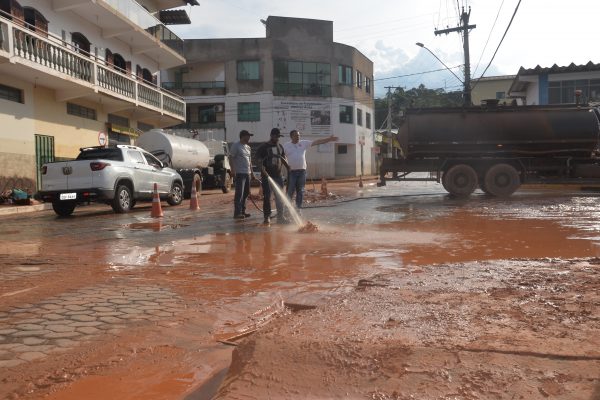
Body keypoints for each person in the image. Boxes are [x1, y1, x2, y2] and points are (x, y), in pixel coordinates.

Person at [282, 130, 338, 209]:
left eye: (298, 135)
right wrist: (287, 165)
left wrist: (329, 139)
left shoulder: (303, 143)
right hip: (292, 172)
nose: (298, 137)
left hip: (302, 172)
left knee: (300, 191)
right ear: (291, 137)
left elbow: (317, 142)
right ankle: (287, 210)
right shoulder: (286, 146)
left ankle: (298, 209)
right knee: (290, 191)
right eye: (296, 135)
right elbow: (282, 157)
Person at [256, 128, 288, 225]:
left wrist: (288, 167)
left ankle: (280, 217)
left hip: (278, 176)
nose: (277, 138)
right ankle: (267, 217)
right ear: (271, 135)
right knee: (267, 197)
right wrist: (262, 169)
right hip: (267, 176)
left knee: (280, 197)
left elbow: (283, 158)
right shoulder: (263, 147)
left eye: (279, 137)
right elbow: (258, 160)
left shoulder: (280, 146)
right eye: (276, 136)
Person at [229, 130, 253, 219]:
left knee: (246, 193)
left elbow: (250, 161)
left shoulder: (248, 147)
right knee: (239, 193)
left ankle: (243, 211)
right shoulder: (236, 145)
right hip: (239, 173)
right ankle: (237, 213)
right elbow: (231, 157)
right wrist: (232, 169)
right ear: (243, 136)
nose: (249, 138)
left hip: (247, 173)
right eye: (248, 136)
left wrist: (252, 173)